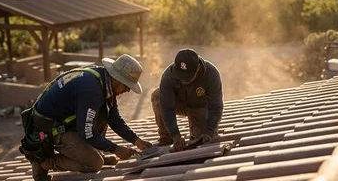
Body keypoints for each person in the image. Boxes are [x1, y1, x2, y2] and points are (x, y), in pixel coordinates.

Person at [20, 54, 152, 181]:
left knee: (102, 114)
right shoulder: (91, 90)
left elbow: (114, 118)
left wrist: (136, 140)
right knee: (95, 164)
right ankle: (45, 163)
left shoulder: (103, 79)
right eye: (127, 87)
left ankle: (90, 152)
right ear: (117, 79)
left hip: (66, 121)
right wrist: (116, 149)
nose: (127, 91)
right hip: (49, 129)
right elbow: (87, 132)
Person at [151, 48, 224, 152]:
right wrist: (175, 135)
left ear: (198, 68)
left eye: (187, 77)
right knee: (157, 96)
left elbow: (216, 107)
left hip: (200, 107)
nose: (183, 80)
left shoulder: (211, 73)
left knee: (202, 140)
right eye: (180, 76)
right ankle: (166, 137)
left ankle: (197, 134)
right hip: (179, 104)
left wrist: (209, 131)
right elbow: (166, 108)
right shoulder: (168, 75)